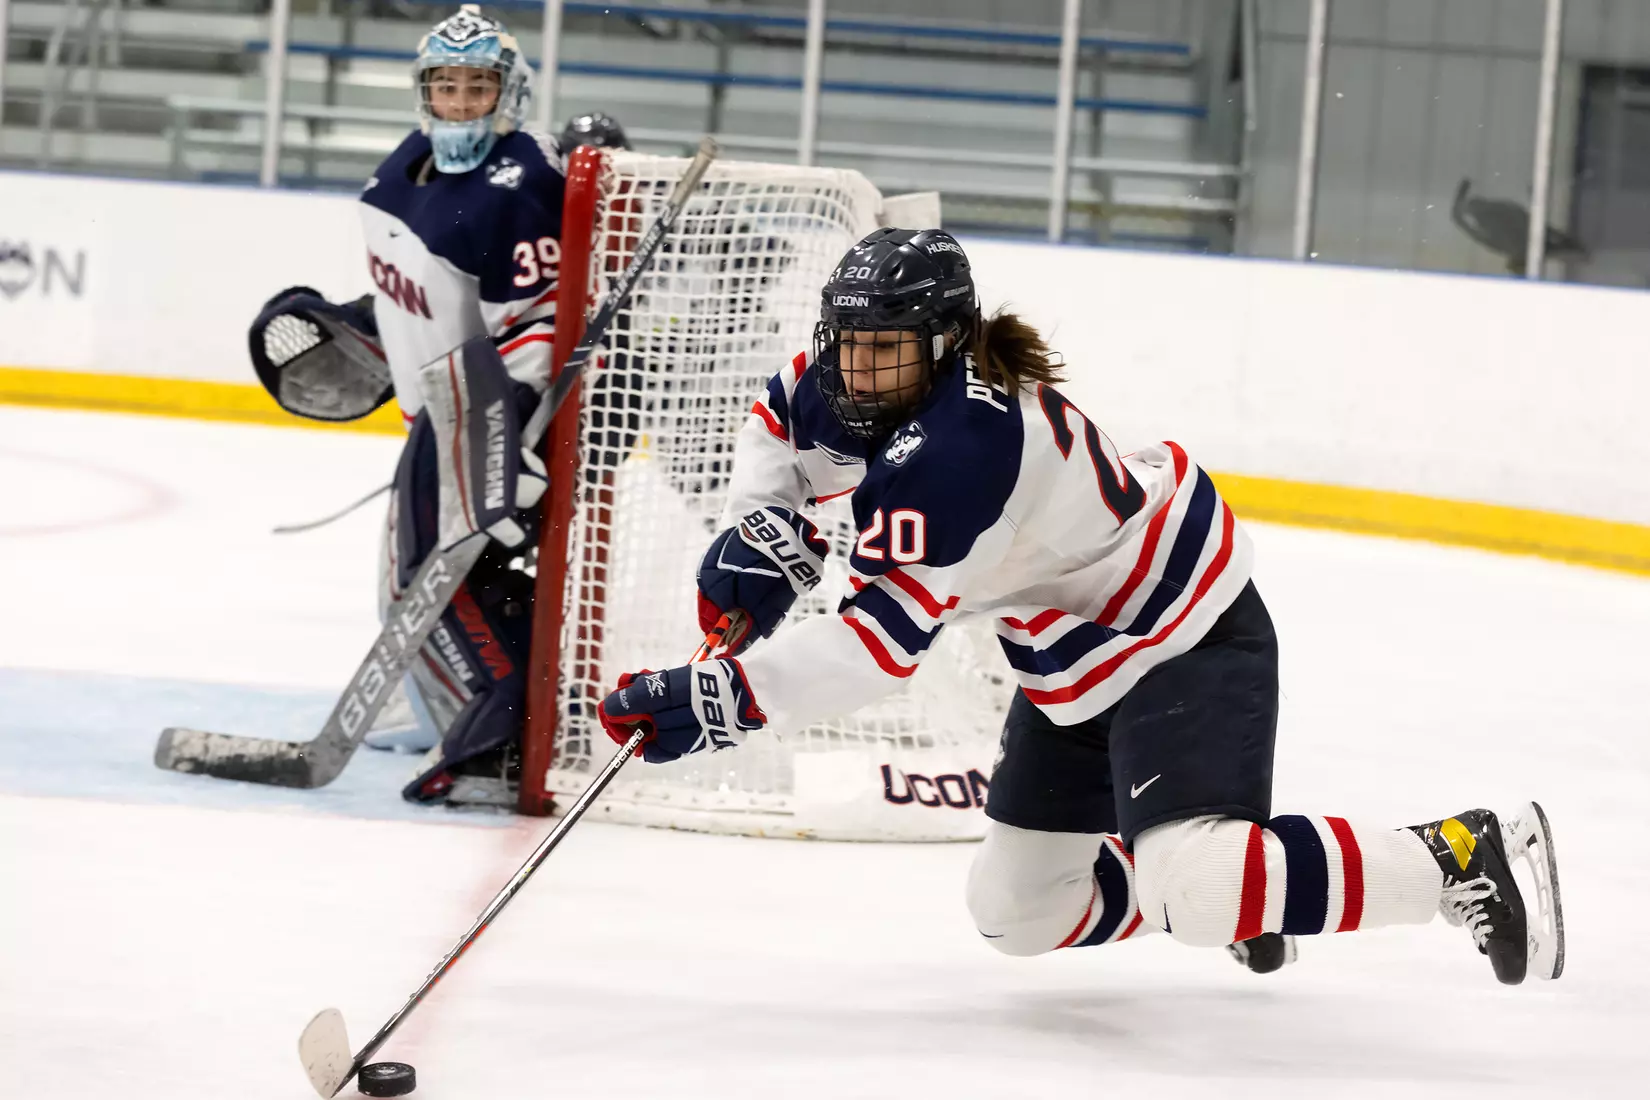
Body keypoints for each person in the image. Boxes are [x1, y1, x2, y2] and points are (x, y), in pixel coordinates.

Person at [595, 228, 1566, 984]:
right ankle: (1222, 878)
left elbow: (876, 646)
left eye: (884, 350)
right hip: (1069, 655)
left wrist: (733, 698)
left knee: (1202, 887)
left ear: (941, 343)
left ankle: (1458, 852)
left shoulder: (963, 448)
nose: (857, 370)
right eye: (847, 343)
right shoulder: (851, 374)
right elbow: (776, 418)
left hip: (1181, 628)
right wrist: (761, 522)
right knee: (1017, 913)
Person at [252, 5, 565, 804]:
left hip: (495, 417)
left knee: (433, 578)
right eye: (447, 87)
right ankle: (514, 707)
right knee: (431, 581)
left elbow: (539, 319)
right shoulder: (404, 166)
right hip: (444, 410)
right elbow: (433, 293)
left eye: (477, 89)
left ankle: (502, 738)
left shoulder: (523, 181)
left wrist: (516, 429)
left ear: (510, 93)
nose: (460, 104)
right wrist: (371, 322)